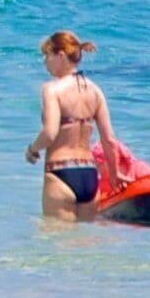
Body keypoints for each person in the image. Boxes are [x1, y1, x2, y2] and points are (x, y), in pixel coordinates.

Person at [29, 31, 118, 218]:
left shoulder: (52, 89)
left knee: (56, 236)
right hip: (89, 175)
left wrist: (32, 149)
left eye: (47, 55)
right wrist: (113, 175)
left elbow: (50, 132)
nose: (44, 61)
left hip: (60, 172)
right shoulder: (95, 90)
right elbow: (109, 140)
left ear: (61, 55)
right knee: (84, 237)